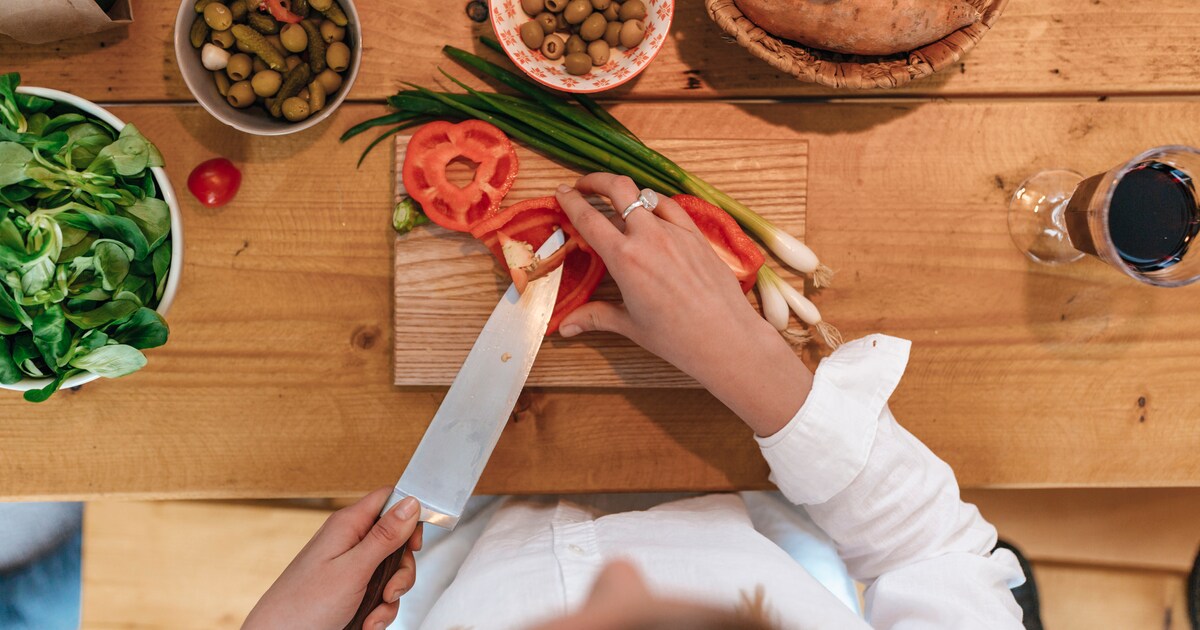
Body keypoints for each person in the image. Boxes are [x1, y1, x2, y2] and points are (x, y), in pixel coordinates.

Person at [244, 173, 1027, 630]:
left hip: (460, 538)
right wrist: (759, 367)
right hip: (757, 491)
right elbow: (934, 554)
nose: (617, 575)